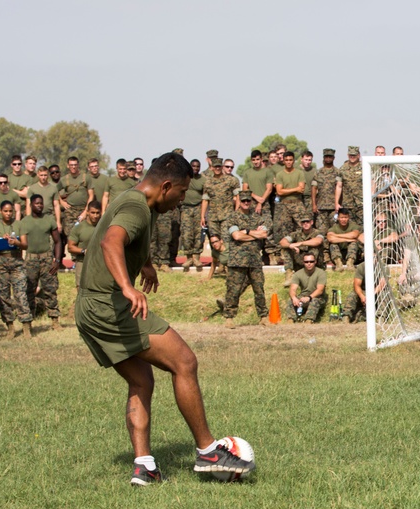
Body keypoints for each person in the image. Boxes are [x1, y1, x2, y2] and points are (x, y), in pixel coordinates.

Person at [75, 152, 254, 485]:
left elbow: (117, 240)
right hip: (108, 306)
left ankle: (145, 467)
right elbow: (112, 241)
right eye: (182, 193)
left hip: (87, 309)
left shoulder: (130, 199)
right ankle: (208, 452)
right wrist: (128, 288)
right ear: (167, 186)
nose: (183, 200)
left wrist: (142, 263)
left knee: (142, 380)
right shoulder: (137, 207)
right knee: (184, 361)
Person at [0, 200, 33, 338]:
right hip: (0, 262)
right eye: (5, 211)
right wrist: (2, 241)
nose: (8, 213)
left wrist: (15, 242)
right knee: (2, 294)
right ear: (0, 212)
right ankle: (10, 325)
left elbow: (25, 245)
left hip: (17, 261)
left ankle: (26, 325)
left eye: (10, 211)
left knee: (21, 294)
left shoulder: (19, 225)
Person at [222, 191, 272, 328]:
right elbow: (236, 236)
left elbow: (264, 234)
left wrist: (247, 232)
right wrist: (253, 233)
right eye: (243, 201)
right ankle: (229, 317)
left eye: (248, 201)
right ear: (239, 200)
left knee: (259, 289)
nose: (246, 203)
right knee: (234, 289)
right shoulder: (232, 218)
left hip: (255, 259)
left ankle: (263, 316)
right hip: (237, 260)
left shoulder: (257, 218)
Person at [23, 194, 63, 330]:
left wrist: (57, 260)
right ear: (31, 205)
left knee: (50, 289)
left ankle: (55, 321)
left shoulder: (49, 220)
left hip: (46, 259)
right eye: (37, 203)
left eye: (41, 203)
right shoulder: (25, 221)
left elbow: (58, 241)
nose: (39, 205)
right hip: (30, 259)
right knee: (29, 290)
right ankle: (28, 322)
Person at [67, 200, 102, 291]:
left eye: (98, 213)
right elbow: (70, 247)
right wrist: (83, 251)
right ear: (87, 212)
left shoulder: (104, 227)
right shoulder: (79, 228)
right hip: (82, 262)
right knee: (81, 289)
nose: (95, 215)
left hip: (99, 263)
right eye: (92, 212)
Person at [280, 215, 324, 285]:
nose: (305, 224)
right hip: (300, 259)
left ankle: (311, 275)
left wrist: (300, 244)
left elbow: (318, 241)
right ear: (301, 224)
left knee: (313, 248)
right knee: (287, 249)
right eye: (303, 222)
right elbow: (282, 242)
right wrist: (290, 245)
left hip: (315, 261)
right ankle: (289, 275)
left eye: (307, 222)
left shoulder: (318, 232)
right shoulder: (296, 234)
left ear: (311, 222)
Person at [285, 250, 327, 322]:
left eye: (311, 261)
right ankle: (291, 320)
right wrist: (294, 298)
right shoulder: (298, 274)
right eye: (306, 262)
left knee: (314, 301)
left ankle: (309, 320)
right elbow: (293, 289)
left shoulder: (321, 273)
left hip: (317, 298)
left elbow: (320, 290)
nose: (309, 264)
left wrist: (309, 297)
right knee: (290, 300)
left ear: (315, 262)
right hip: (303, 297)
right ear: (303, 263)